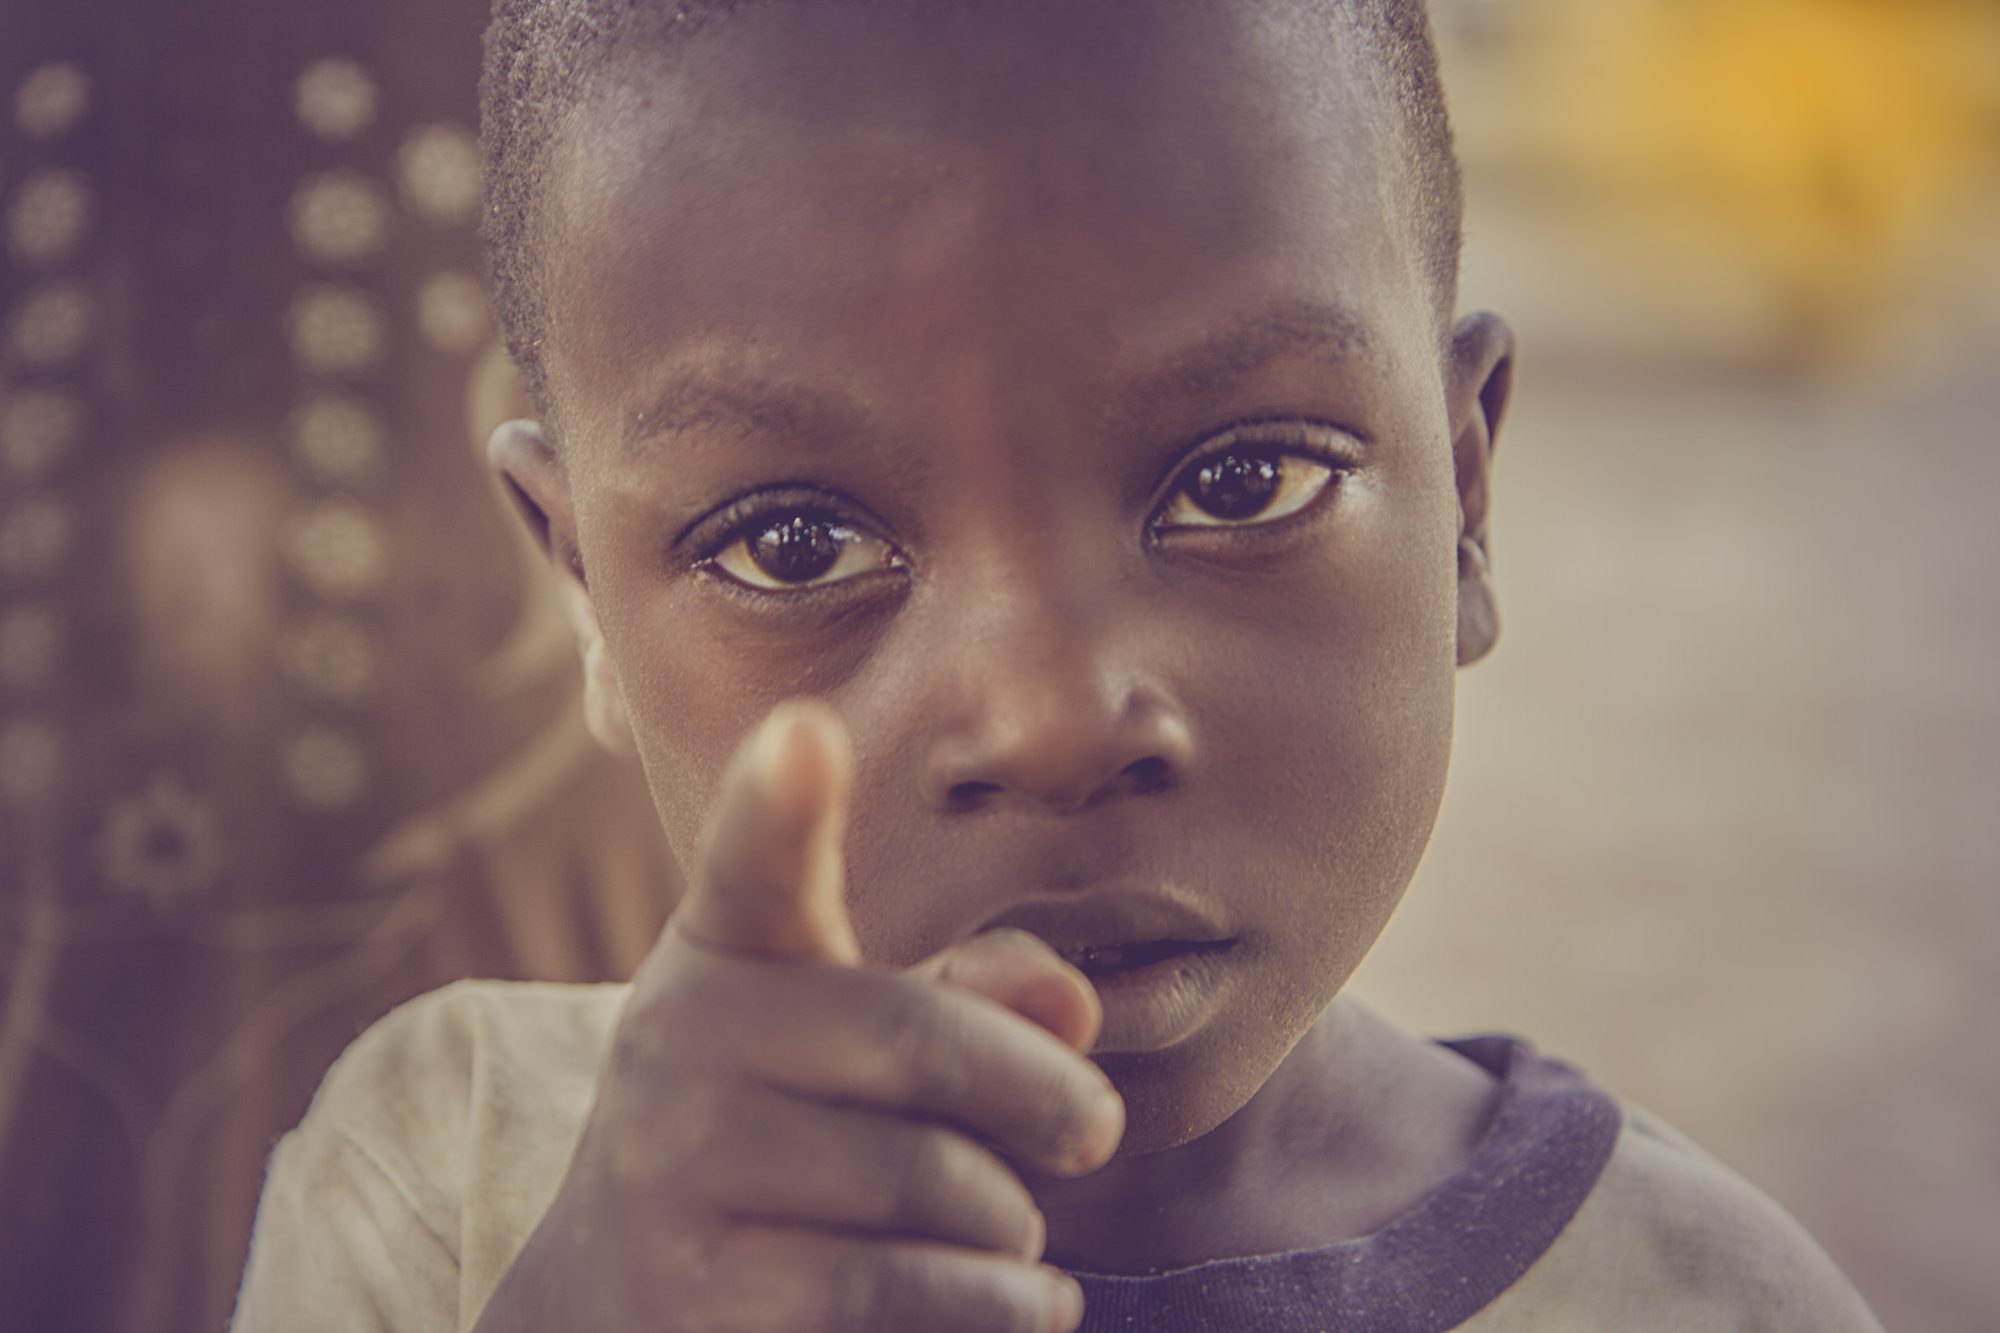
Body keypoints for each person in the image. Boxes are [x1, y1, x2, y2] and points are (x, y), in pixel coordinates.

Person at [231, 2, 1886, 1329]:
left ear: (1465, 493)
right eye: (794, 545)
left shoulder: (1713, 1301)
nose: (1050, 715)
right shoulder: (447, 1176)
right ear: (584, 588)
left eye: (1244, 480)